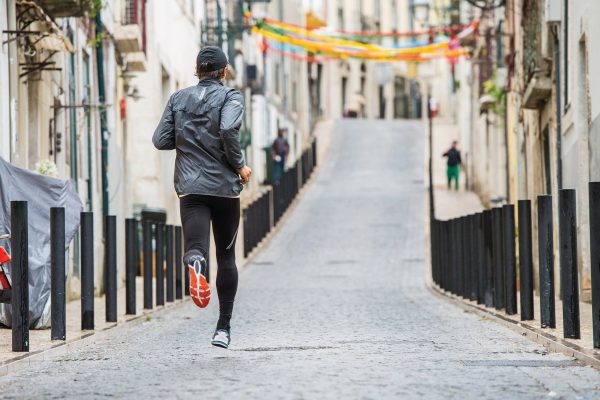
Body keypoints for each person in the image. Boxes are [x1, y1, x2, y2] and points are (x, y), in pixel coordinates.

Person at [153, 46, 252, 349]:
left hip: (191, 188)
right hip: (224, 188)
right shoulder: (231, 97)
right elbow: (227, 129)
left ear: (197, 71)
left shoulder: (177, 99)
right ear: (224, 72)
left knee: (196, 248)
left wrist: (190, 141)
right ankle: (222, 328)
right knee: (225, 257)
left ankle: (195, 265)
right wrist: (239, 165)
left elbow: (160, 140)